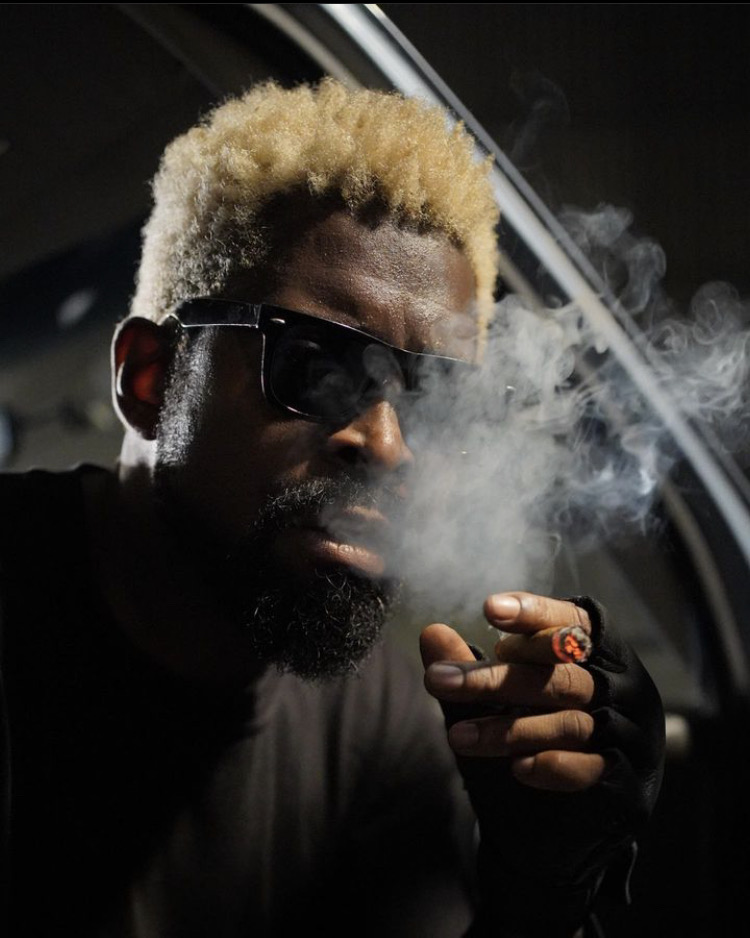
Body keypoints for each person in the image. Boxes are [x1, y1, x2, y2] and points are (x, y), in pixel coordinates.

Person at [0, 80, 664, 937]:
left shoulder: (380, 717)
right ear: (152, 381)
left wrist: (542, 893)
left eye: (432, 402)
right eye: (314, 365)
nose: (387, 446)